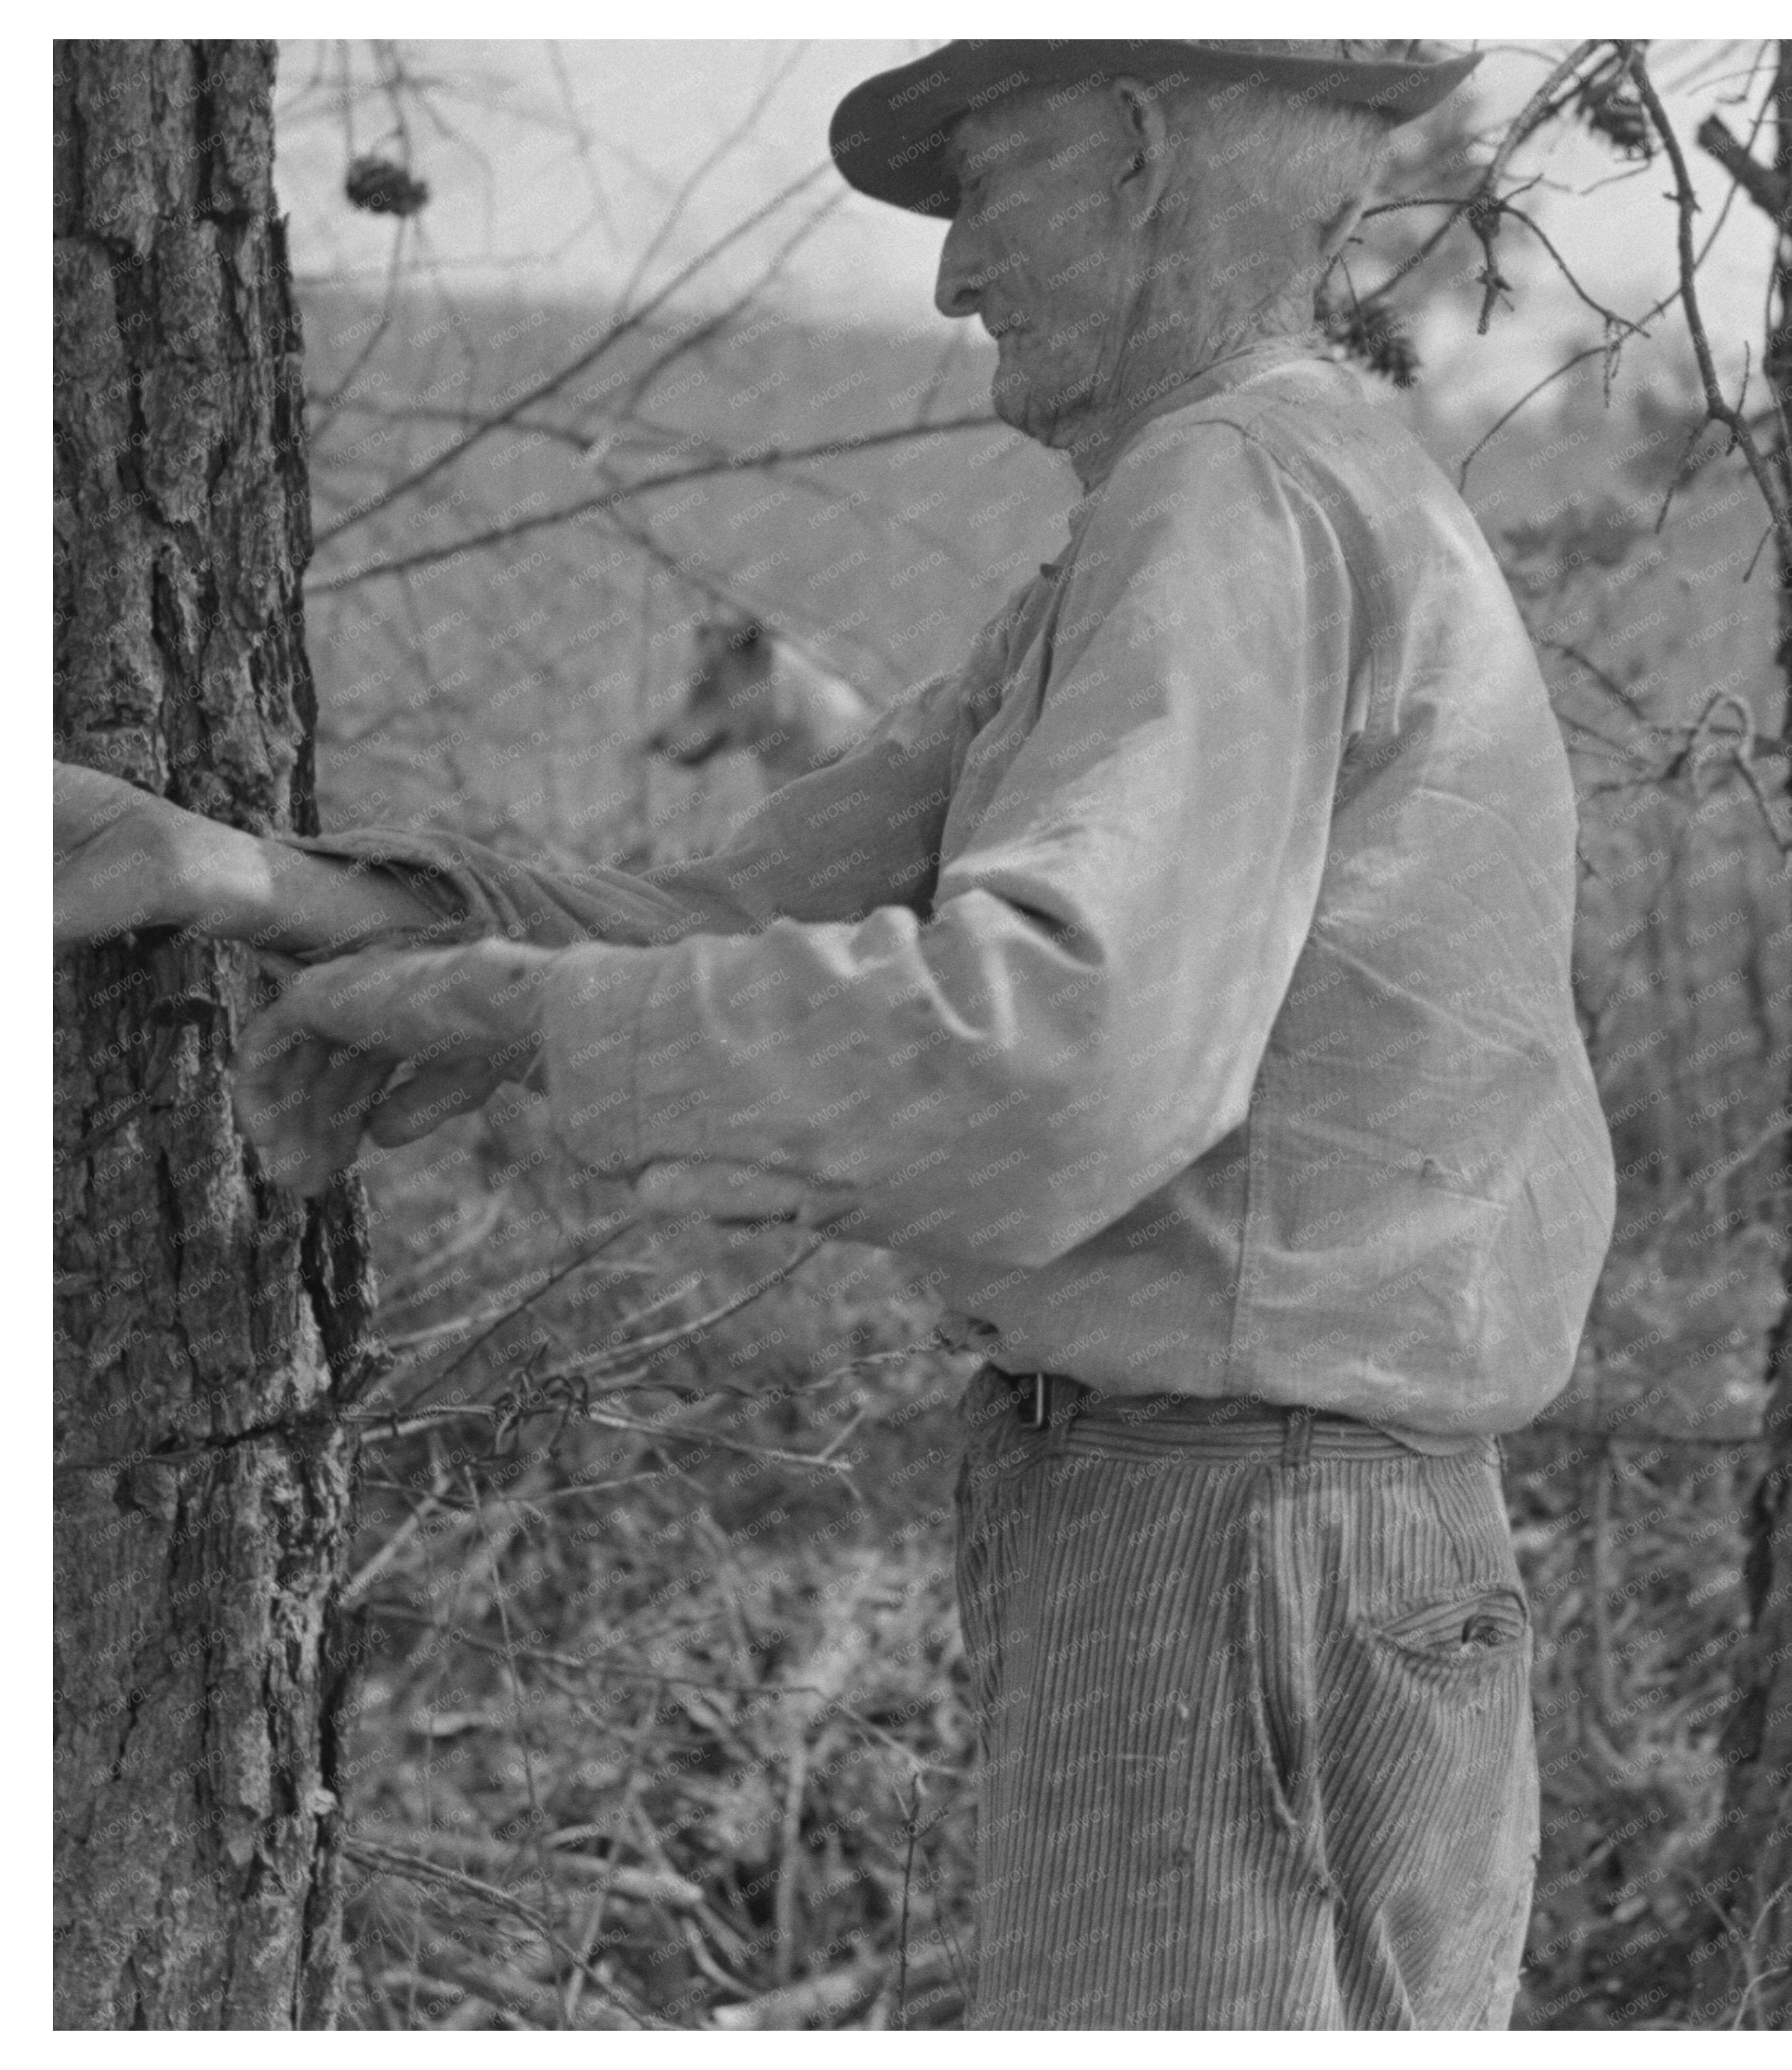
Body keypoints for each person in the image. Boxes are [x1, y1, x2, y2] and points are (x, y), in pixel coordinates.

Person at [53, 38, 1616, 2030]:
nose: (954, 274)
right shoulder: (1239, 499)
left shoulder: (1234, 492)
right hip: (1274, 1523)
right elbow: (752, 911)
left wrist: (533, 1021)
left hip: (1238, 1537)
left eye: (983, 191)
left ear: (1139, 158)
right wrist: (247, 879)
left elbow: (1056, 1060)